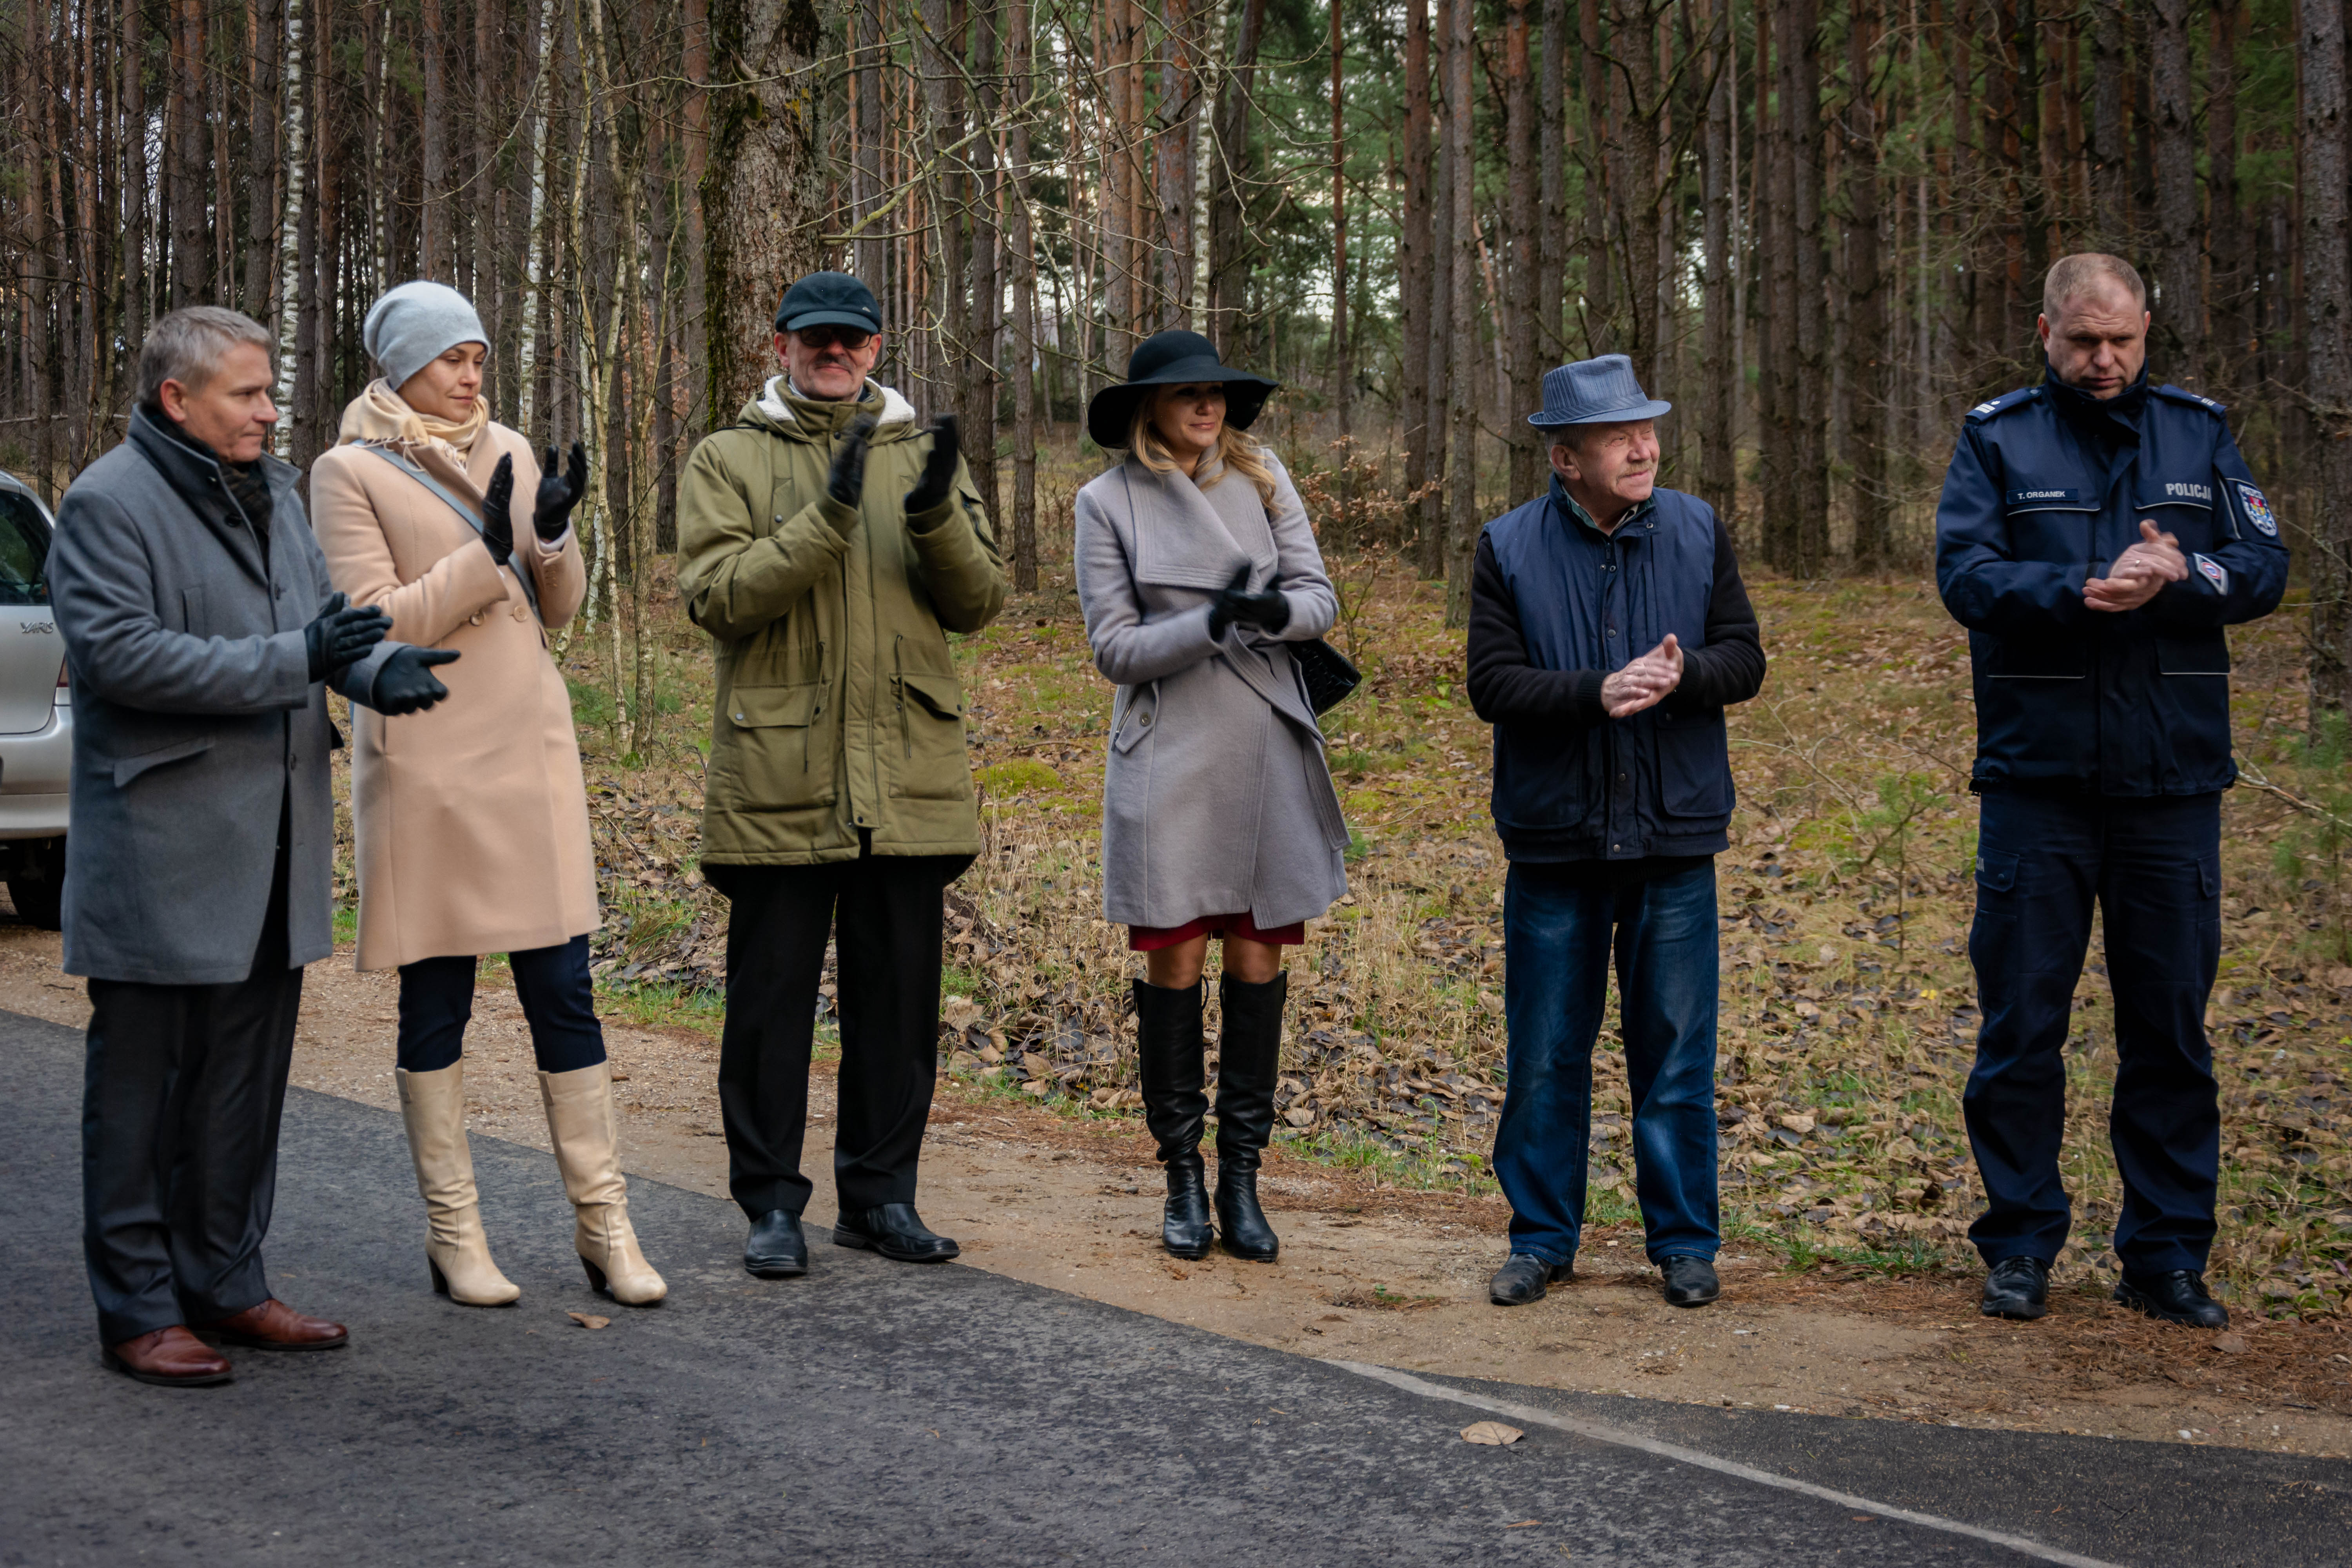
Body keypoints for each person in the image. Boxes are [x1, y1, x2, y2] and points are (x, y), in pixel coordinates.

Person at [53, 306, 456, 1386]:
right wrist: (301, 658)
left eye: (270, 392)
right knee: (142, 1097)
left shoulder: (274, 492)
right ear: (177, 398)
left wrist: (379, 671)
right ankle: (139, 1309)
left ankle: (227, 1283)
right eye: (247, 393)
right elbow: (124, 657)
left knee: (242, 1086)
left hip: (274, 844)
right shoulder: (107, 503)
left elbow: (323, 627)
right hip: (162, 850)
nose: (271, 412)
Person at [1935, 253, 2287, 1328]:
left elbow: (2263, 565)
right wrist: (2082, 588)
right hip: (2037, 781)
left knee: (2170, 1033)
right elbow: (1965, 576)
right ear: (2046, 332)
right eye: (2084, 341)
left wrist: (2187, 573)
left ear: (2146, 331)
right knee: (2021, 1027)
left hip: (2171, 785)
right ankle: (2020, 1244)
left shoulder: (2198, 433)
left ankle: (2166, 1257)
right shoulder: (1998, 439)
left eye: (2122, 340)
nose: (2104, 360)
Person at [310, 280, 664, 1310]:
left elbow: (559, 609)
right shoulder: (348, 470)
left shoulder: (507, 448)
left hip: (528, 753)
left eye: (478, 358)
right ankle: (455, 1234)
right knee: (440, 999)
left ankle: (607, 1226)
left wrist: (552, 537)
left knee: (565, 986)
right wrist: (487, 554)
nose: (472, 376)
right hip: (429, 763)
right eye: (452, 359)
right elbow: (376, 625)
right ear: (401, 366)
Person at [676, 270, 1005, 1279]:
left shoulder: (923, 451)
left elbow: (978, 603)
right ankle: (772, 1203)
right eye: (815, 337)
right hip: (779, 773)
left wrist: (934, 513)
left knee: (898, 1007)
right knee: (769, 1011)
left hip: (906, 771)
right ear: (779, 344)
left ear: (875, 348)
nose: (835, 352)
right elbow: (719, 597)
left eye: (852, 339)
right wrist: (827, 515)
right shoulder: (727, 456)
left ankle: (881, 1196)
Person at [1466, 354, 1766, 1310]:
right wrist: (1594, 692)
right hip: (1554, 839)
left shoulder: (1698, 528)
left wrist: (1687, 675)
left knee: (1675, 1055)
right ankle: (1541, 1239)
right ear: (1566, 459)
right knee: (1545, 1054)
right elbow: (1491, 684)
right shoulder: (1507, 546)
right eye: (1618, 437)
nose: (1644, 449)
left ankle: (1683, 1244)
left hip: (1673, 834)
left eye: (1648, 430)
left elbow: (1745, 657)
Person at [1073, 331, 1348, 1263]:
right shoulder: (1107, 501)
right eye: (1187, 393)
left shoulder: (1263, 476)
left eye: (1219, 392)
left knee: (1260, 961)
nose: (1208, 406)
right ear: (1147, 408)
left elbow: (1318, 599)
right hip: (1170, 754)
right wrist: (1211, 619)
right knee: (1177, 965)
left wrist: (1271, 612)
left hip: (1266, 738)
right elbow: (1115, 648)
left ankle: (1242, 1176)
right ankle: (1182, 1176)